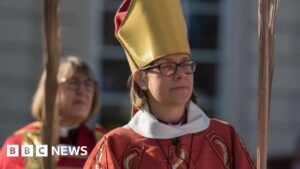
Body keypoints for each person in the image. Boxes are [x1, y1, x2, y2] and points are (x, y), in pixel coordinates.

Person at [84, 0, 256, 168]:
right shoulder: (117, 146)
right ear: (142, 79)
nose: (180, 74)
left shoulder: (224, 137)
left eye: (186, 64)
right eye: (166, 66)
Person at [0, 56, 106, 169]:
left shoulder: (103, 145)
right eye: (73, 82)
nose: (82, 91)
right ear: (50, 90)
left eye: (89, 84)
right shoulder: (22, 143)